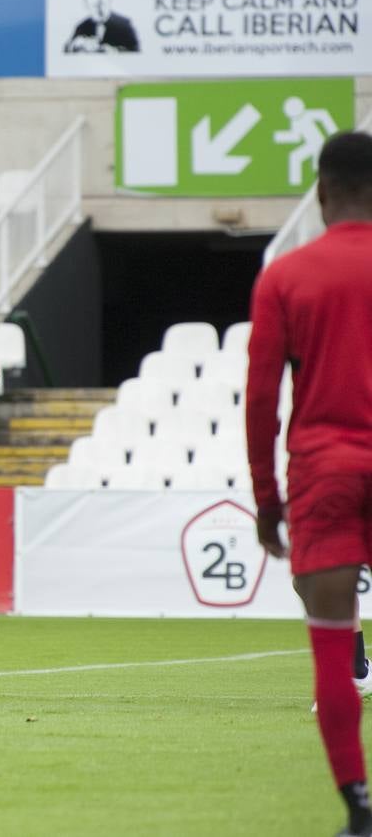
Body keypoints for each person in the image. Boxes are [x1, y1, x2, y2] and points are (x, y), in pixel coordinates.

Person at [247, 130, 372, 837]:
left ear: (321, 192)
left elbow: (261, 398)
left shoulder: (285, 276)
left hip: (323, 468)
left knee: (332, 644)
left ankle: (358, 808)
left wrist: (268, 500)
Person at [64, 0, 140, 54]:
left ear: (110, 2)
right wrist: (75, 45)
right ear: (87, 6)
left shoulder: (125, 24)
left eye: (103, 4)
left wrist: (116, 51)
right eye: (94, 6)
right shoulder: (82, 26)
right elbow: (65, 51)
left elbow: (136, 51)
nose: (100, 10)